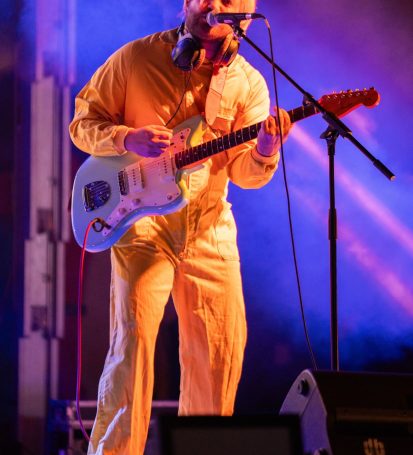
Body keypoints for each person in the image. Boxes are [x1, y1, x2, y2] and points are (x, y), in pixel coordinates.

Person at [69, 0, 292, 453]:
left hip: (209, 227)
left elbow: (244, 174)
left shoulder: (248, 83)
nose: (211, 5)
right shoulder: (136, 58)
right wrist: (125, 138)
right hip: (144, 227)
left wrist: (266, 150)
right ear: (185, 4)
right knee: (132, 348)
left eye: (225, 2)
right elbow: (82, 123)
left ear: (243, 18)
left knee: (219, 354)